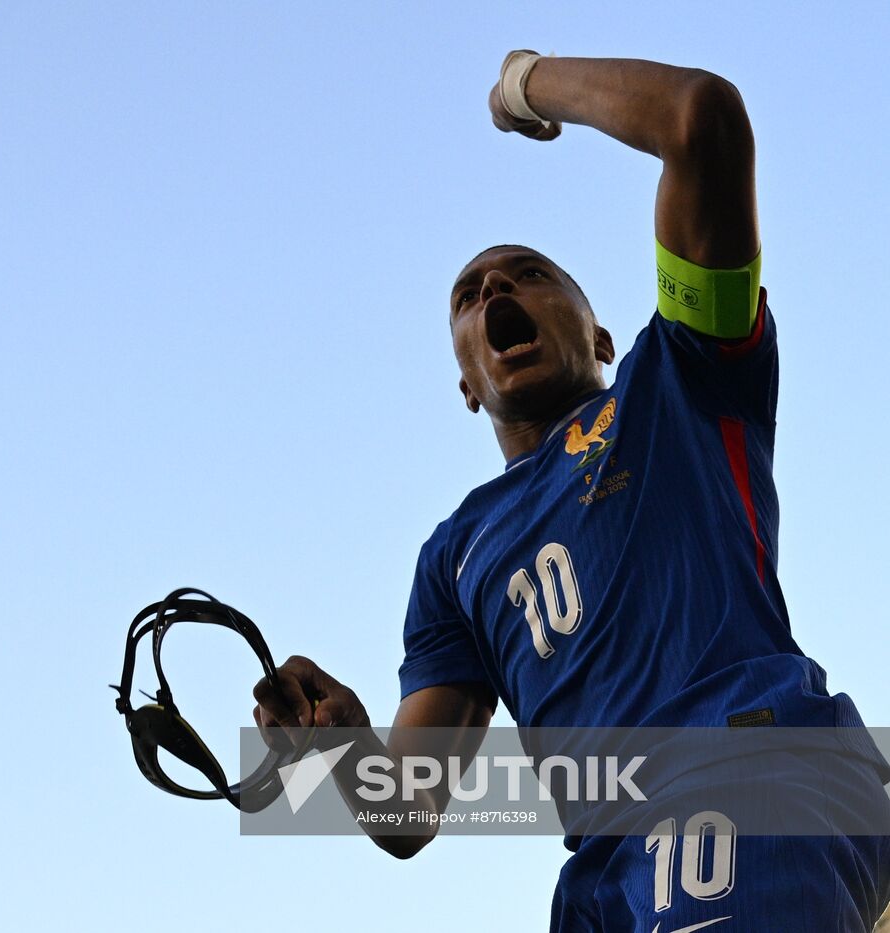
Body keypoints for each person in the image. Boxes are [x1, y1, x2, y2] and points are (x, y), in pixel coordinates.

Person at [252, 52, 890, 931]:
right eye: (470, 295)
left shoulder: (679, 376)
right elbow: (406, 811)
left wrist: (527, 85)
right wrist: (344, 745)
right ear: (467, 382)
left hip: (741, 779)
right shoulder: (453, 558)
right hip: (601, 876)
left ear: (598, 333)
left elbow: (701, 120)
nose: (496, 292)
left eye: (527, 274)